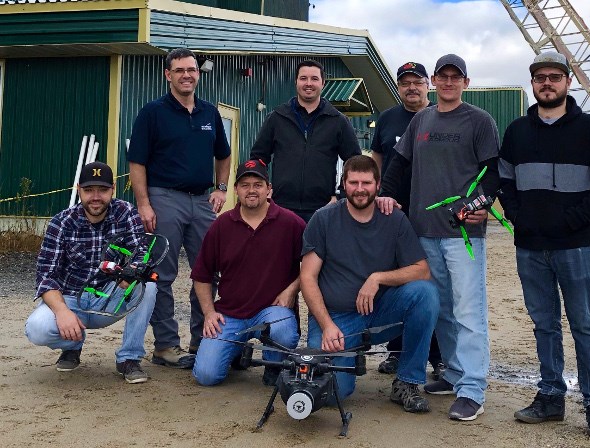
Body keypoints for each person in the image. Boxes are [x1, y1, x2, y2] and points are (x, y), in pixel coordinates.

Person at [498, 51, 590, 441]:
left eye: (554, 76)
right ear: (532, 83)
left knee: (584, 325)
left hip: (574, 247)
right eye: (539, 77)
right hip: (530, 247)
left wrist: (571, 221)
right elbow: (504, 182)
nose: (546, 83)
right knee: (544, 325)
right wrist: (520, 218)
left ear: (567, 82)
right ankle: (550, 396)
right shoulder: (516, 131)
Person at [380, 54, 500, 421]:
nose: (448, 82)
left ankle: (473, 388)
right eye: (443, 77)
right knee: (443, 310)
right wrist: (385, 193)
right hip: (423, 233)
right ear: (434, 80)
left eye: (456, 77)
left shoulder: (479, 121)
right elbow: (399, 164)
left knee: (468, 311)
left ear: (465, 81)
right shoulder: (421, 121)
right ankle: (454, 373)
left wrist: (477, 204)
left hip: (462, 235)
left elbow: (494, 174)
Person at [300, 155, 440, 413]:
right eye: (353, 182)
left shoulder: (394, 218)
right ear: (344, 184)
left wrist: (378, 277)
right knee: (332, 394)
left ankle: (407, 382)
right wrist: (327, 326)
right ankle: (349, 356)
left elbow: (422, 271)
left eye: (366, 182)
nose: (360, 189)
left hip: (380, 313)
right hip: (337, 319)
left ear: (378, 185)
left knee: (426, 294)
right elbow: (307, 277)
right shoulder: (323, 219)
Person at [128, 48, 231, 368]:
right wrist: (143, 204)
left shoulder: (209, 113)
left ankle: (203, 340)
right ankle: (166, 345)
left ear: (198, 74)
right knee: (161, 274)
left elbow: (223, 155)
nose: (187, 75)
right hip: (164, 198)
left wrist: (222, 188)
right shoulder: (152, 113)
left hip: (202, 201)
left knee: (208, 272)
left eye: (192, 70)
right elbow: (137, 162)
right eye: (180, 70)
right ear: (167, 74)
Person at [25, 162, 157, 384]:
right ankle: (73, 345)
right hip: (70, 299)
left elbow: (143, 253)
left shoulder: (126, 213)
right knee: (36, 329)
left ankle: (129, 359)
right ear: (78, 190)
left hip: (108, 296)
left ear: (113, 188)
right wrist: (62, 312)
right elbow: (46, 276)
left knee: (149, 285)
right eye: (88, 190)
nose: (95, 197)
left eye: (102, 190)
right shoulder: (61, 222)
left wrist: (131, 273)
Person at [190, 159, 304, 387]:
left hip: (272, 311)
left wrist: (292, 289)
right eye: (245, 184)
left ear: (269, 189)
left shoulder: (291, 223)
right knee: (206, 376)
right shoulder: (221, 226)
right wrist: (209, 313)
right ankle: (237, 350)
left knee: (282, 329)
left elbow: (313, 265)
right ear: (236, 190)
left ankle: (274, 366)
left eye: (258, 184)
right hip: (230, 314)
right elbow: (201, 276)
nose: (252, 190)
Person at [371, 61, 443, 379]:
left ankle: (438, 356)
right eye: (405, 83)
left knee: (433, 284)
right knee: (398, 281)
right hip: (393, 216)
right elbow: (376, 162)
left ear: (428, 84)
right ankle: (397, 352)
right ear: (398, 87)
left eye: (417, 82)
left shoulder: (442, 116)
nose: (411, 88)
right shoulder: (387, 119)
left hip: (434, 216)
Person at [249, 59, 362, 222]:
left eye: (314, 79)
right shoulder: (277, 118)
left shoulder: (338, 121)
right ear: (296, 82)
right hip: (280, 207)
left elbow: (354, 162)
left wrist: (340, 195)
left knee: (316, 249)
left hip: (323, 209)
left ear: (323, 83)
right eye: (303, 78)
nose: (308, 83)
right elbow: (258, 157)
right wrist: (263, 189)